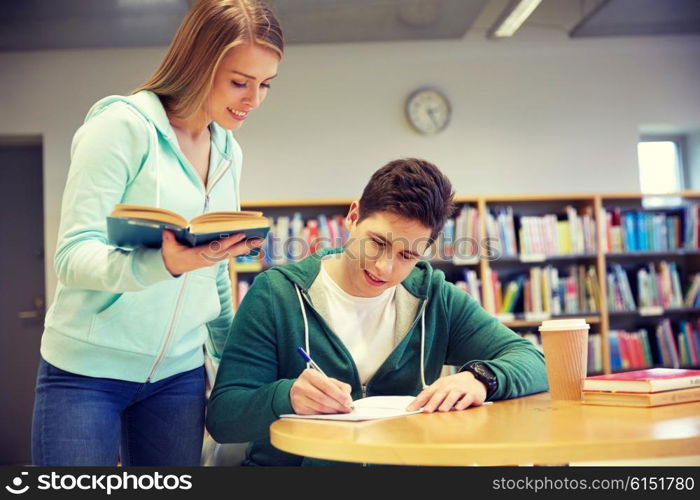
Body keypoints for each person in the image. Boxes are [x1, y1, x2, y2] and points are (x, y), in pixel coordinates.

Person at [32, 0, 283, 466]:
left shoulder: (229, 150)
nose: (254, 100)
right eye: (239, 82)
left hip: (178, 377)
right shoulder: (120, 128)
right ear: (198, 64)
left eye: (265, 84)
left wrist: (231, 362)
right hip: (87, 372)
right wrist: (163, 263)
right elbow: (72, 257)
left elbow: (213, 269)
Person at [206, 158, 548, 466]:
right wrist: (287, 396)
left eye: (408, 255)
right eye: (378, 243)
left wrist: (480, 378)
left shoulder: (435, 298)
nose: (384, 268)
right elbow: (224, 416)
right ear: (353, 216)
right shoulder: (276, 295)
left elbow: (533, 360)